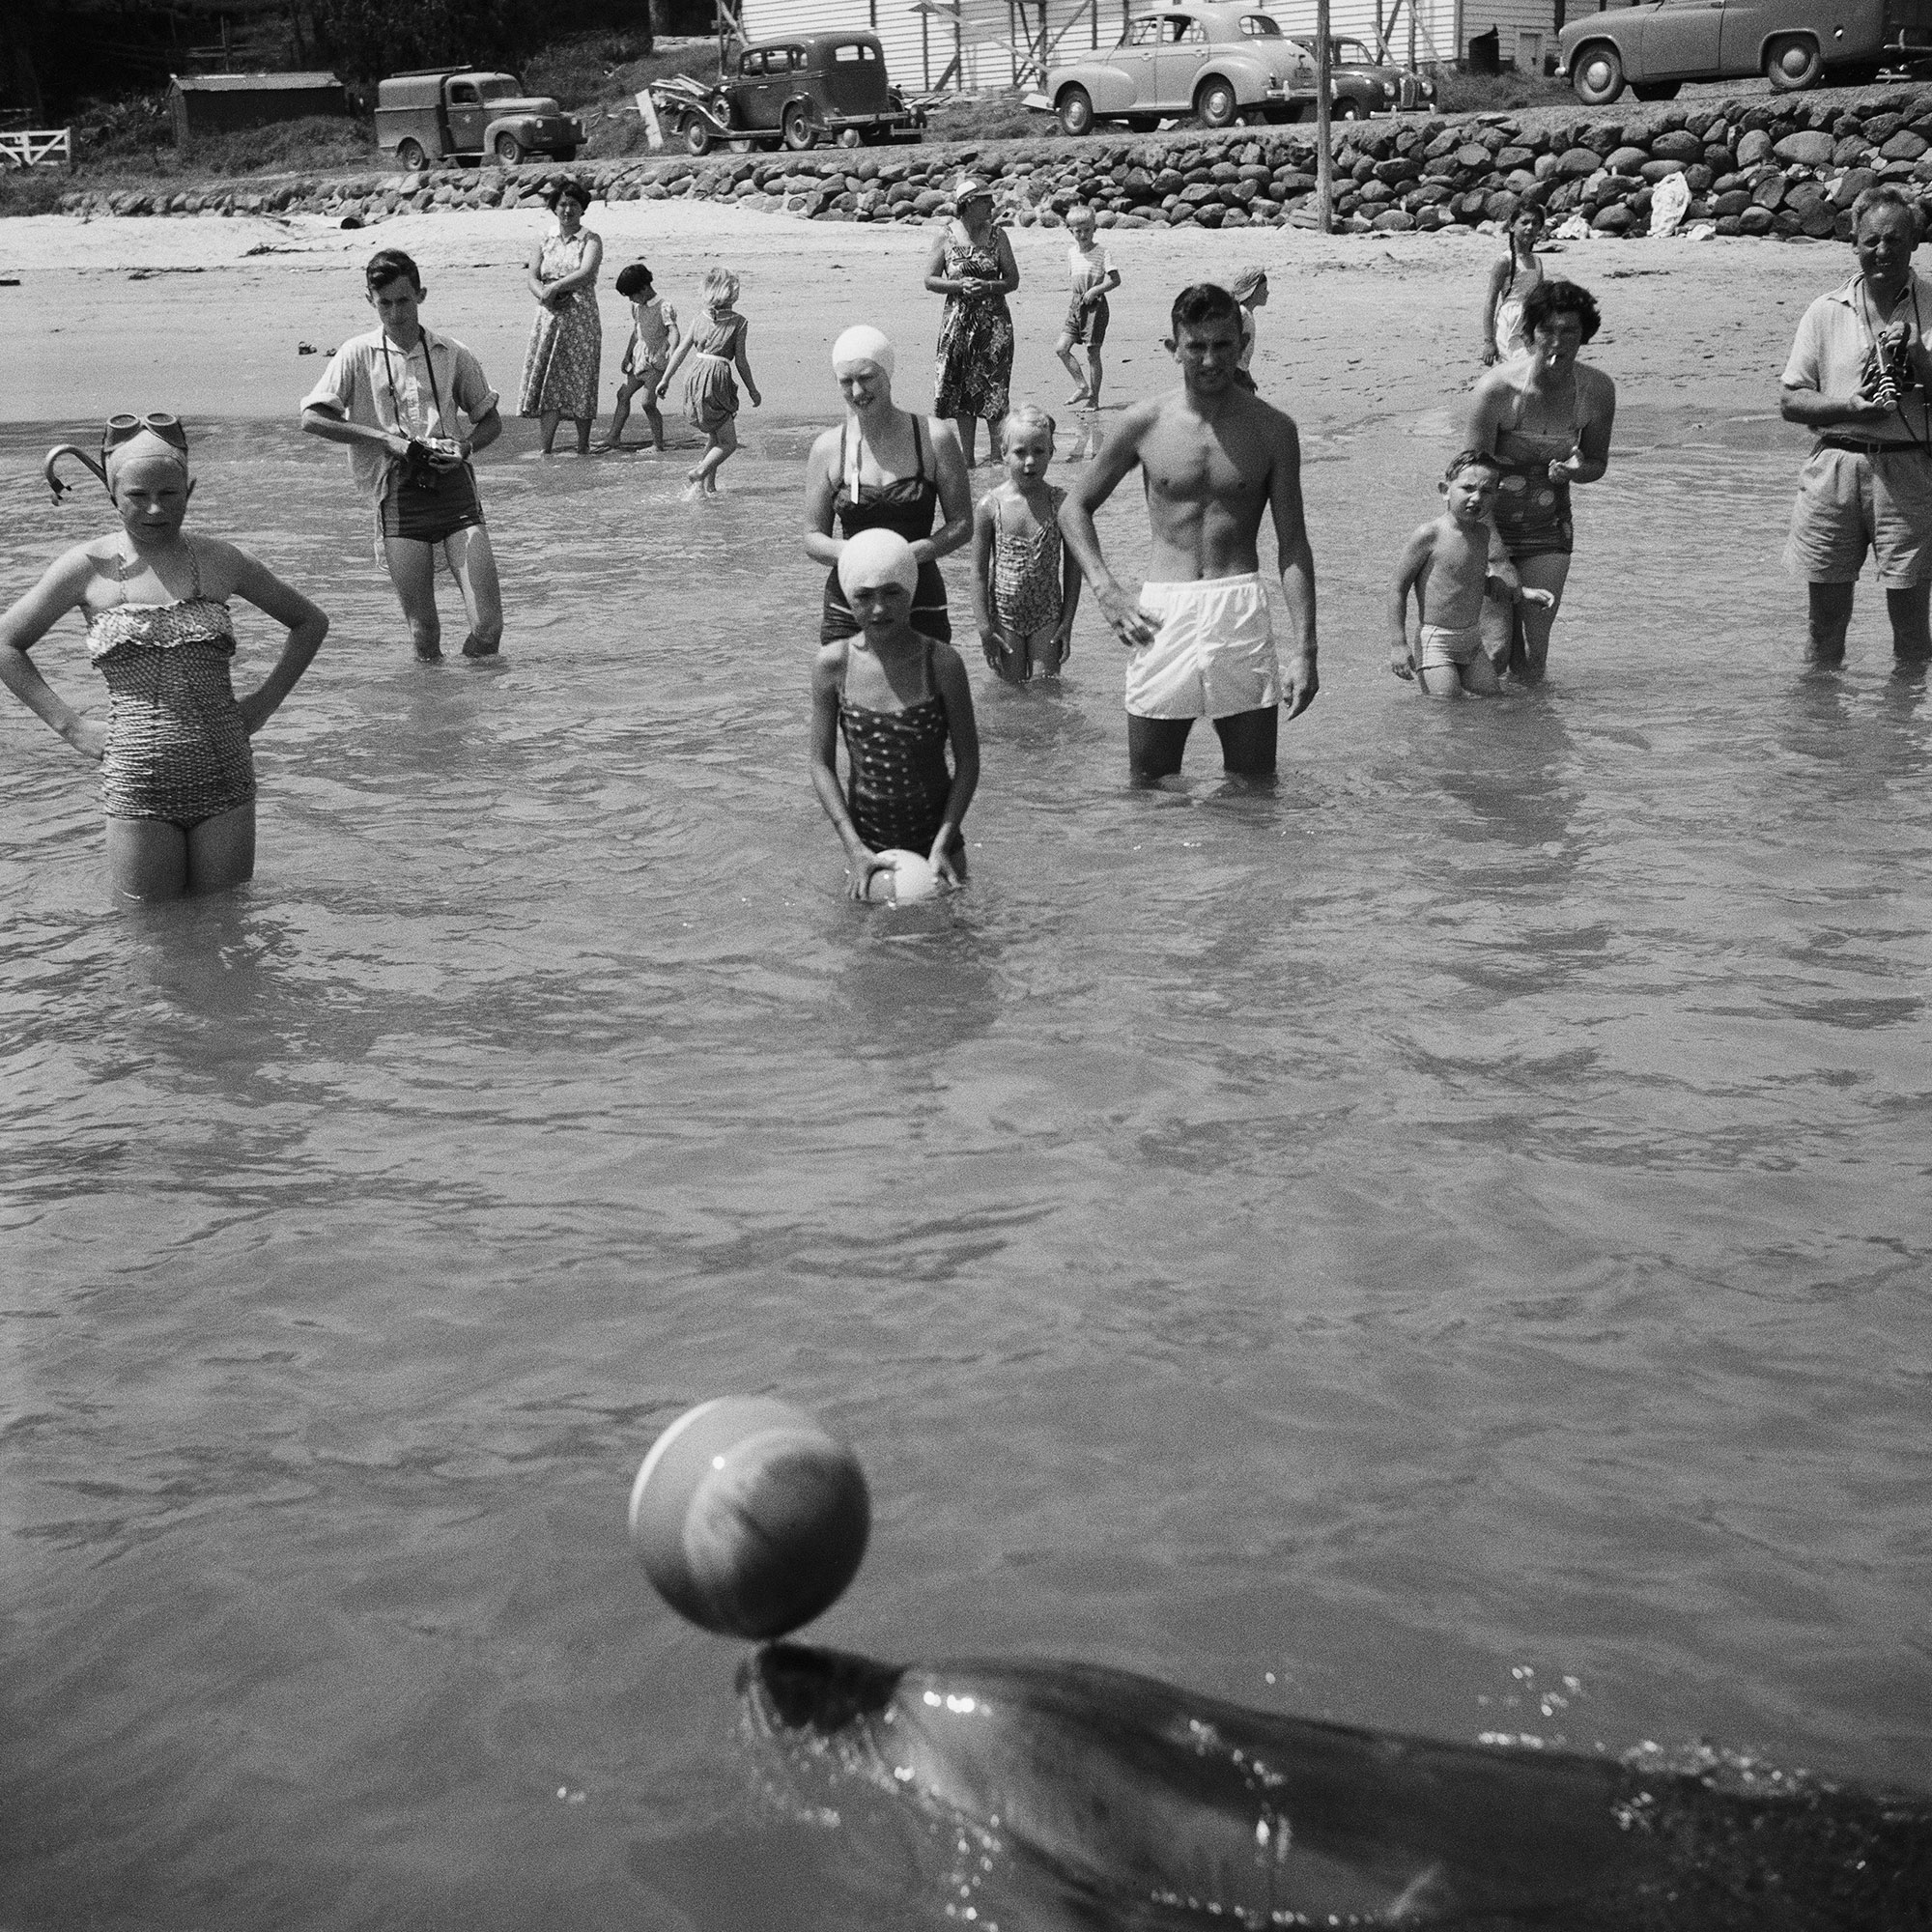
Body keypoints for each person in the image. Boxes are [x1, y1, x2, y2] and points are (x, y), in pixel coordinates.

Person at [1, 416, 327, 900]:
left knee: (226, 923)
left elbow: (309, 622)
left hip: (225, 775)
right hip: (137, 779)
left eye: (170, 495)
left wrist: (263, 703)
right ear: (113, 493)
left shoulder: (222, 560)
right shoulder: (85, 567)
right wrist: (71, 727)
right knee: (149, 936)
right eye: (137, 495)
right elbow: (7, 644)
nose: (155, 509)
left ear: (189, 489)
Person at [1059, 283, 1317, 782]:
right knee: (1149, 786)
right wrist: (1107, 591)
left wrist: (1305, 650)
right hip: (1161, 613)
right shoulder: (1143, 422)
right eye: (1196, 346)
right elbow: (1075, 508)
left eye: (1223, 344)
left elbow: (1294, 546)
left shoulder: (1274, 430)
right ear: (1173, 348)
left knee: (1254, 786)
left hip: (1238, 606)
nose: (1210, 359)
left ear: (1242, 345)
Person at [302, 249, 504, 662]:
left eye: (404, 301)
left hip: (455, 491)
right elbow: (312, 419)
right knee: (423, 633)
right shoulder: (357, 353)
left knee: (488, 628)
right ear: (370, 301)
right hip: (398, 496)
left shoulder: (452, 352)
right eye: (385, 304)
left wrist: (464, 448)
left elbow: (492, 423)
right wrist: (383, 440)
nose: (395, 313)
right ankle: (436, 714)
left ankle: (477, 709)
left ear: (421, 294)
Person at [1780, 182, 1932, 661]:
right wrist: (1850, 405)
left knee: (1912, 633)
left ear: (1915, 244)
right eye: (1872, 241)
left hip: (1910, 471)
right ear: (1854, 244)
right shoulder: (1825, 310)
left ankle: (1906, 735)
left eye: (1895, 240)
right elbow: (1791, 401)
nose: (1883, 250)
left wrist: (1920, 360)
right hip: (1834, 471)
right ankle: (1819, 731)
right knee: (1824, 627)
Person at [810, 528, 980, 899]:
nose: (879, 608)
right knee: (868, 953)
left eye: (892, 593)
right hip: (866, 852)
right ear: (848, 598)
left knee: (954, 951)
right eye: (864, 596)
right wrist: (851, 844)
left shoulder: (941, 663)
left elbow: (968, 761)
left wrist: (942, 842)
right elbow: (820, 764)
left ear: (912, 592)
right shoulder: (833, 664)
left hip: (940, 849)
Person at [1465, 278, 1615, 684]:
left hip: (1548, 527)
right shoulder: (1496, 389)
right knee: (1494, 651)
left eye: (1569, 330)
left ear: (1585, 334)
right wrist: (1495, 557)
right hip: (1487, 523)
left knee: (1532, 654)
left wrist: (1576, 472)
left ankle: (1532, 740)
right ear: (1529, 334)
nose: (1557, 341)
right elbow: (1468, 474)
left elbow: (1597, 461)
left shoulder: (1597, 391)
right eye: (1546, 330)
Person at [805, 325, 972, 648]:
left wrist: (910, 554)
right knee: (847, 695)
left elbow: (963, 524)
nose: (857, 392)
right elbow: (812, 538)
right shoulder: (828, 447)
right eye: (846, 382)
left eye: (867, 378)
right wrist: (860, 555)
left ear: (888, 373)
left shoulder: (934, 438)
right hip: (849, 603)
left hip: (920, 598)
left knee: (929, 693)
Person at [1389, 450, 1552, 698]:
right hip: (1437, 641)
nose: (1476, 498)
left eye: (1486, 492)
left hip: (1471, 641)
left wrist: (1522, 592)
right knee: (1445, 706)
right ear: (1445, 490)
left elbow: (1472, 580)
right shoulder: (1429, 535)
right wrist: (1398, 644)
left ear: (1496, 496)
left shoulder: (1482, 535)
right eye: (1467, 488)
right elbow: (1397, 588)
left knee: (1493, 701)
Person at [970, 403, 1080, 684]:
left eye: (1039, 452)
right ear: (1004, 454)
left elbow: (1073, 568)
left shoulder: (1060, 504)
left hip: (1048, 615)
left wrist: (1067, 621)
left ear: (1052, 453)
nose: (1029, 461)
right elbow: (979, 573)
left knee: (1047, 688)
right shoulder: (989, 506)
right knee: (1010, 690)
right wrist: (984, 626)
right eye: (1020, 452)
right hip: (1004, 617)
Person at [924, 177, 1019, 469]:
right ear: (968, 204)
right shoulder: (945, 236)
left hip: (994, 326)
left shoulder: (998, 236)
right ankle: (967, 459)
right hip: (958, 325)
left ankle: (996, 457)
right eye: (985, 200)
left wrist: (989, 287)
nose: (991, 205)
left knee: (994, 388)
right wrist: (959, 286)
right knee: (964, 390)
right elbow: (930, 280)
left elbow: (1012, 280)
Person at [517, 180, 604, 457]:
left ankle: (582, 446)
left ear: (582, 209)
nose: (567, 210)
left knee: (582, 378)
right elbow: (532, 276)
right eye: (563, 204)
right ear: (554, 207)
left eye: (573, 205)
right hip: (549, 316)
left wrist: (556, 287)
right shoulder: (544, 239)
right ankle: (546, 448)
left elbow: (587, 272)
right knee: (550, 380)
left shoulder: (591, 239)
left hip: (581, 317)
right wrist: (544, 293)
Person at [659, 267, 760, 499]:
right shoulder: (739, 322)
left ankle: (707, 488)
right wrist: (752, 389)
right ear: (732, 293)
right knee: (729, 443)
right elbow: (741, 362)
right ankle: (700, 472)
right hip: (717, 378)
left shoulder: (699, 318)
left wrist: (666, 379)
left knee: (715, 437)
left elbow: (681, 351)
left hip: (695, 376)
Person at [600, 261, 678, 452]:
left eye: (631, 295)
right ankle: (613, 437)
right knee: (623, 394)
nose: (630, 300)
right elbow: (636, 332)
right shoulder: (637, 307)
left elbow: (674, 331)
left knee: (648, 403)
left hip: (656, 362)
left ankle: (657, 444)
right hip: (639, 360)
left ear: (643, 288)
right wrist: (627, 355)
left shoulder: (664, 306)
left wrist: (672, 349)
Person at [1055, 205, 1120, 410]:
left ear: (1095, 228)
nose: (1083, 235)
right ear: (1070, 231)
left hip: (1096, 306)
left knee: (1093, 353)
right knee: (1061, 348)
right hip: (1076, 305)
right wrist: (1080, 298)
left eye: (1087, 230)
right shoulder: (1071, 252)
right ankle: (1082, 386)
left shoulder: (1102, 252)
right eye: (1078, 231)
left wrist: (1095, 290)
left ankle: (1094, 398)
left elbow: (1115, 280)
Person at [1480, 206, 1546, 367]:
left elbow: (1543, 297)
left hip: (1531, 321)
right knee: (1512, 369)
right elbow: (1490, 301)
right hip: (1510, 322)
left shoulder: (1537, 261)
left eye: (1535, 223)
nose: (1530, 227)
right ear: (1511, 226)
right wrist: (1488, 342)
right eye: (1524, 222)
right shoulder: (1505, 261)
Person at [1230, 266, 1268, 393]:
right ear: (1252, 292)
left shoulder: (1247, 314)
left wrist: (1247, 375)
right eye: (1264, 289)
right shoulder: (1242, 314)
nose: (1267, 292)